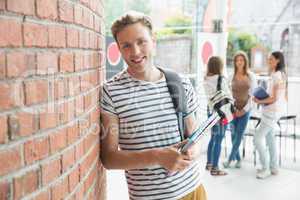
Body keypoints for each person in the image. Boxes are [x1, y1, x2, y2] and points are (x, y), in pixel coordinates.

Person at [100, 11, 206, 200]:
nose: (135, 52)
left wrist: (192, 150)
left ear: (153, 41)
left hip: (193, 191)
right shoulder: (111, 92)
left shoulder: (180, 82)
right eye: (126, 45)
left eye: (141, 42)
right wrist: (157, 156)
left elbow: (195, 136)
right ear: (119, 49)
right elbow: (109, 158)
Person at [253, 51, 287, 179]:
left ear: (278, 60)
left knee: (257, 139)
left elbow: (273, 98)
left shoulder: (276, 76)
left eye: (271, 59)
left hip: (271, 113)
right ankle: (274, 167)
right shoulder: (280, 75)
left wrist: (258, 100)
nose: (269, 61)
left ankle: (265, 167)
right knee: (270, 139)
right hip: (274, 112)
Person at [223, 51, 257, 169]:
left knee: (239, 135)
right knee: (233, 135)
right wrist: (233, 109)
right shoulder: (231, 76)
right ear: (235, 62)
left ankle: (229, 159)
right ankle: (238, 159)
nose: (239, 62)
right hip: (232, 111)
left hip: (245, 111)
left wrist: (243, 110)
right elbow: (227, 94)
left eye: (241, 60)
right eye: (237, 60)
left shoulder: (251, 76)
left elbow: (253, 96)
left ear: (245, 62)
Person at [204, 56, 232, 176]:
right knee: (219, 140)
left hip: (211, 111)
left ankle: (209, 163)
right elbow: (228, 95)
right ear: (219, 66)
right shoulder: (221, 79)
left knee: (212, 138)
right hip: (222, 113)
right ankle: (215, 168)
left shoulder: (206, 79)